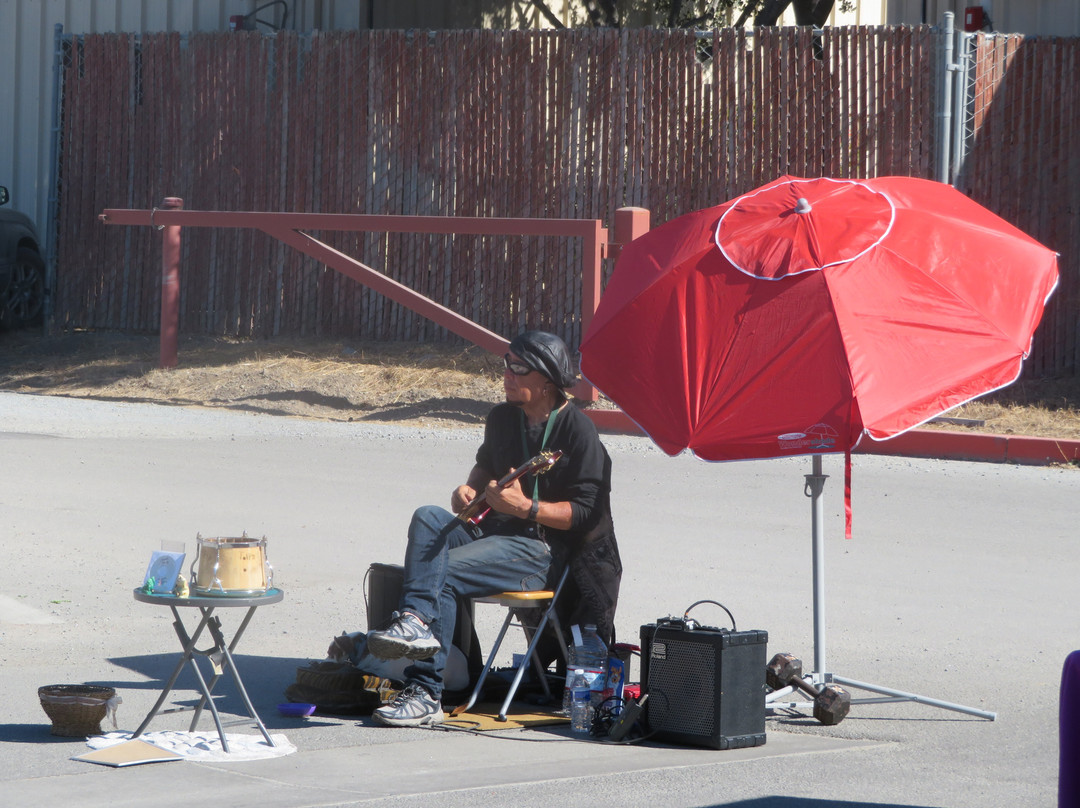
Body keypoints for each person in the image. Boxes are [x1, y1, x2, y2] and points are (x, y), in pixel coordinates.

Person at [362, 330, 619, 727]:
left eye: (519, 368)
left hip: (540, 550)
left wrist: (527, 507)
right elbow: (485, 467)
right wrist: (467, 490)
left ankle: (427, 692)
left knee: (441, 572)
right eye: (507, 364)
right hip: (493, 534)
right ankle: (415, 620)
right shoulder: (502, 418)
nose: (508, 374)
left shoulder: (577, 432)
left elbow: (586, 512)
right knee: (428, 516)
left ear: (547, 381)